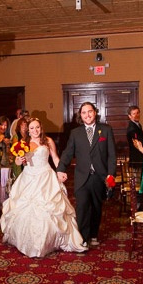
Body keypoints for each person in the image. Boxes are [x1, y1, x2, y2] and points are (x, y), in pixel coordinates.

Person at [1, 118, 88, 257]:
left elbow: (54, 158)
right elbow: (17, 161)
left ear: (40, 128)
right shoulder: (23, 143)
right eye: (32, 128)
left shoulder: (48, 141)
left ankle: (52, 241)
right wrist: (20, 159)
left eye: (37, 127)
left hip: (46, 177)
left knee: (51, 209)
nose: (35, 131)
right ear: (28, 130)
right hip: (29, 178)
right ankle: (30, 243)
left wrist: (60, 171)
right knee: (27, 209)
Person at [57, 102, 116, 247]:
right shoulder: (75, 133)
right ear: (80, 116)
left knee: (96, 207)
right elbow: (67, 153)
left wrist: (111, 175)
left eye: (90, 112)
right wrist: (61, 168)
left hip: (99, 176)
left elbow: (111, 156)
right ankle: (82, 238)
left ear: (95, 112)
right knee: (82, 207)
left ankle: (94, 234)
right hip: (82, 176)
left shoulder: (106, 130)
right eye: (84, 113)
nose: (87, 115)